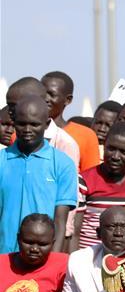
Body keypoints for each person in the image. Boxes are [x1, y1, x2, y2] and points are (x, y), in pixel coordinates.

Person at [0, 94, 77, 252]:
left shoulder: (62, 164)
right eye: (22, 124)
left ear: (47, 124)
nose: (27, 130)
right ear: (14, 122)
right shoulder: (2, 160)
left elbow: (60, 221)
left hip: (42, 259)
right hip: (3, 256)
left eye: (34, 124)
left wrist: (52, 265)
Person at [73, 122, 125, 250]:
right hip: (91, 257)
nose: (115, 156)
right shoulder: (84, 180)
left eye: (123, 152)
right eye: (111, 149)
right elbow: (75, 231)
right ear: (104, 146)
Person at [6, 77, 80, 168]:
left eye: (14, 105)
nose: (9, 111)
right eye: (9, 105)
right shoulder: (15, 137)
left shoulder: (64, 143)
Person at [42, 71, 101, 172]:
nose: (45, 99)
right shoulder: (23, 131)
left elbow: (90, 178)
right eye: (42, 93)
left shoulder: (86, 135)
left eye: (52, 94)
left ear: (68, 100)